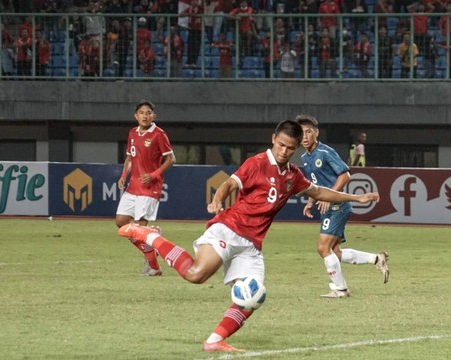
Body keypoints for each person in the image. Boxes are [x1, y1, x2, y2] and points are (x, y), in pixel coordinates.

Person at [118, 119, 380, 352]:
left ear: (297, 148)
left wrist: (357, 197)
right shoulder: (256, 163)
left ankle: (214, 340)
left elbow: (321, 192)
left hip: (252, 246)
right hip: (229, 229)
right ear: (273, 140)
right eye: (280, 145)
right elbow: (230, 183)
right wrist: (217, 200)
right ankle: (148, 235)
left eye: (290, 148)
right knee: (196, 275)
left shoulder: (293, 175)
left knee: (253, 297)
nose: (284, 151)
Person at [297, 114, 389, 298]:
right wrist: (311, 200)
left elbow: (345, 175)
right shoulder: (305, 158)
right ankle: (377, 259)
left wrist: (328, 197)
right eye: (301, 133)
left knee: (323, 249)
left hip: (337, 206)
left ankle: (340, 289)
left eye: (308, 132)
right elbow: (314, 183)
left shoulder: (325, 152)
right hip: (328, 206)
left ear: (316, 132)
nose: (305, 136)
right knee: (335, 253)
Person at [116, 100, 175, 276]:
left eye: (148, 112)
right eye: (142, 112)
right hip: (133, 185)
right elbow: (129, 158)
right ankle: (153, 240)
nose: (145, 115)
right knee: (121, 223)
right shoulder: (132, 133)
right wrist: (123, 176)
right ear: (136, 116)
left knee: (139, 229)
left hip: (150, 187)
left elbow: (171, 159)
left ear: (153, 116)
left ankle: (154, 267)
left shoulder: (159, 134)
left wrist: (154, 175)